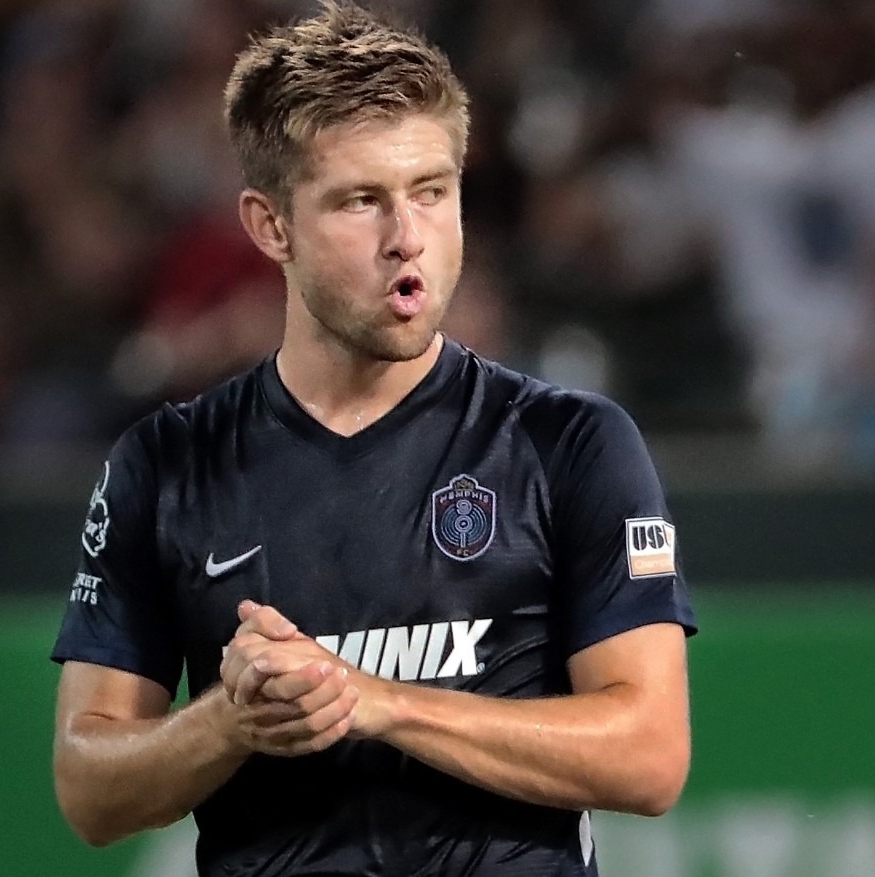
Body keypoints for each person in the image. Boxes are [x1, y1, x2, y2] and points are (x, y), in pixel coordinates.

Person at [50, 3, 697, 874]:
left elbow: (651, 753)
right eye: (361, 201)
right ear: (270, 225)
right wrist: (227, 721)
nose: (408, 239)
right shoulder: (166, 465)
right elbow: (89, 788)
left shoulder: (568, 443)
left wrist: (378, 702)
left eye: (433, 191)